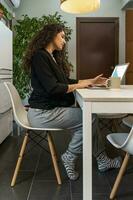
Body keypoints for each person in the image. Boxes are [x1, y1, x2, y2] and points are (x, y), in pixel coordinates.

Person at [23, 24, 121, 181]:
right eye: (62, 36)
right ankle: (72, 156)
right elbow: (53, 88)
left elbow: (67, 81)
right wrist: (81, 85)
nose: (64, 40)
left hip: (48, 110)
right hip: (42, 114)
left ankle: (101, 160)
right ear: (51, 35)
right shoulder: (40, 57)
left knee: (89, 116)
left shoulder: (51, 57)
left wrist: (92, 81)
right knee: (89, 118)